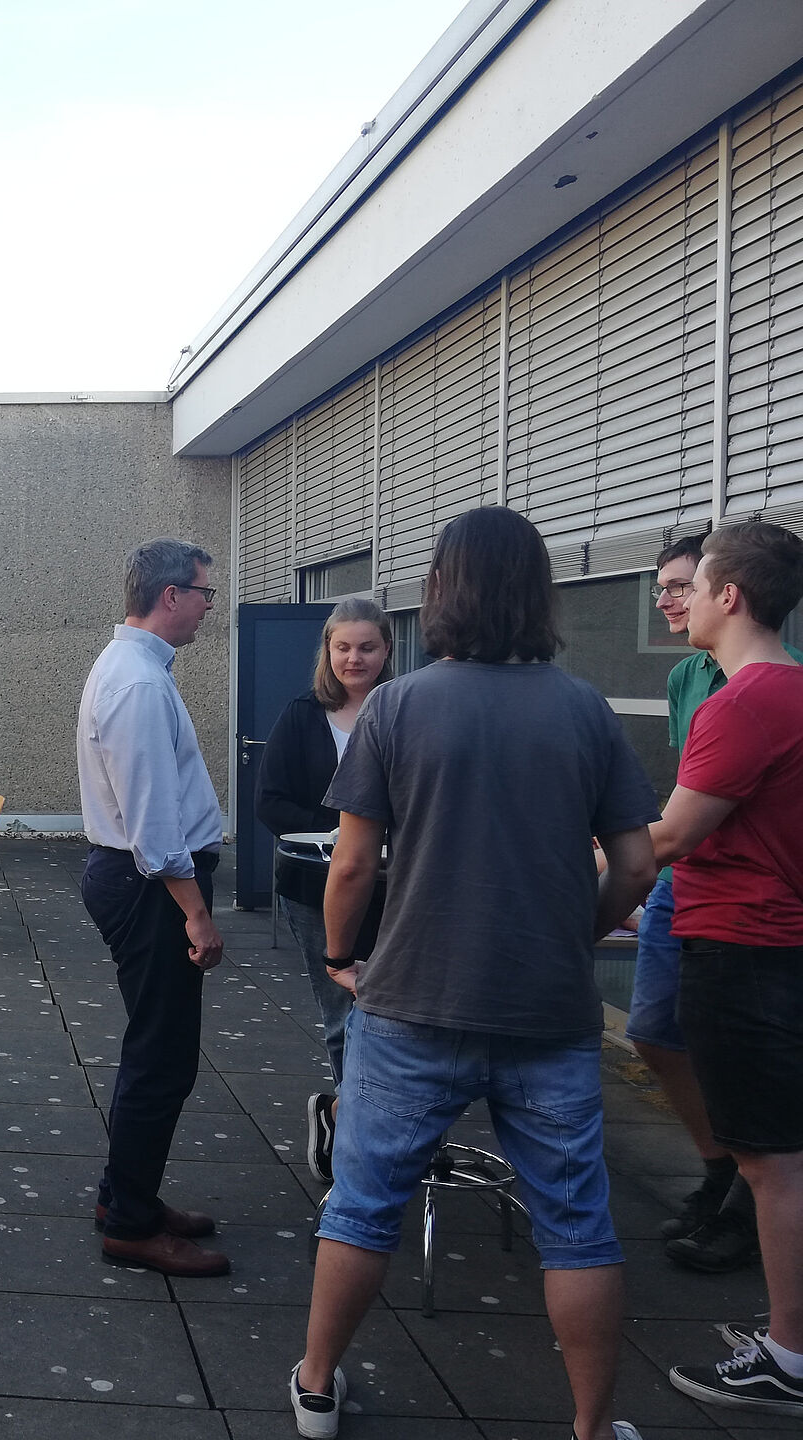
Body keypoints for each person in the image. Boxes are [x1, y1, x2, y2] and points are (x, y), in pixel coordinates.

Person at [290, 505, 659, 1440]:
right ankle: (590, 1427)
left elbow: (352, 864)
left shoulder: (403, 705)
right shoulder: (582, 709)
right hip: (549, 1012)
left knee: (364, 1206)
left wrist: (340, 957)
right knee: (577, 1227)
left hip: (412, 1000)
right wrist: (577, 935)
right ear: (539, 593)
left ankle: (319, 1387)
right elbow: (639, 865)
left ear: (440, 592)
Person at [647, 521, 803, 1419]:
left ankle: (787, 1354)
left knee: (772, 1162)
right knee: (780, 1151)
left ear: (731, 597)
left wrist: (556, 863)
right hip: (774, 942)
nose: (684, 600)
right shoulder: (789, 691)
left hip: (743, 951)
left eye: (694, 584)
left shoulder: (739, 705)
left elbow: (670, 836)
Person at [75, 538, 231, 1279]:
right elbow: (154, 828)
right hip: (149, 888)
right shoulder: (138, 682)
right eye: (205, 592)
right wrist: (196, 913)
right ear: (170, 595)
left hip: (136, 881)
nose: (208, 606)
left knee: (155, 1050)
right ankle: (131, 1224)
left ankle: (125, 1197)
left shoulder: (135, 669)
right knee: (161, 1059)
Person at [254, 597, 393, 1184]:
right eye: (343, 647)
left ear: (388, 650)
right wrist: (340, 831)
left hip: (396, 887)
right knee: (341, 1007)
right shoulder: (302, 714)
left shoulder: (404, 710)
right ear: (327, 652)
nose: (354, 658)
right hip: (317, 886)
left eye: (367, 647)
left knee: (394, 1010)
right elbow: (270, 802)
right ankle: (350, 1128)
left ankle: (371, 1117)